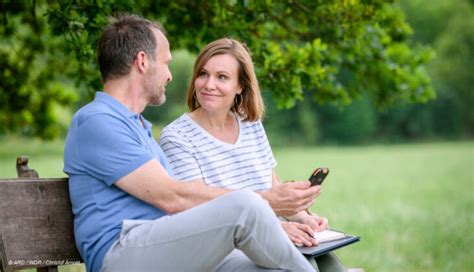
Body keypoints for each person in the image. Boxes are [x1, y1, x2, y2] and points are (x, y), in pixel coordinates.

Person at [63, 15, 322, 272]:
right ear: (142, 61)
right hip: (122, 253)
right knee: (245, 206)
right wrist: (265, 200)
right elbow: (172, 196)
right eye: (166, 63)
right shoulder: (98, 121)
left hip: (164, 246)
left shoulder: (135, 125)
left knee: (267, 268)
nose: (170, 75)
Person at [158, 38, 347, 271]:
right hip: (225, 247)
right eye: (203, 74)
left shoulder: (250, 124)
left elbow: (272, 190)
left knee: (332, 266)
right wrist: (275, 230)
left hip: (271, 232)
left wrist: (303, 218)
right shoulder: (177, 137)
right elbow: (196, 208)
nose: (208, 84)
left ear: (240, 86)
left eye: (222, 77)